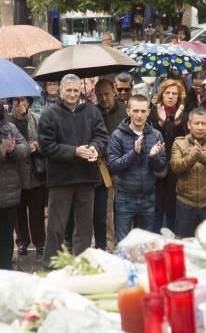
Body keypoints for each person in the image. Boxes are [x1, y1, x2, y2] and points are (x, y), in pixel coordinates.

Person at [38, 74, 109, 265]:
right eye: (68, 90)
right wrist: (74, 152)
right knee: (55, 228)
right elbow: (46, 146)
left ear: (81, 90)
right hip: (61, 180)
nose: (72, 94)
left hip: (86, 178)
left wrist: (95, 148)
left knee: (85, 228)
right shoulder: (49, 115)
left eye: (76, 90)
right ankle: (50, 266)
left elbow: (102, 136)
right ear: (60, 91)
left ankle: (82, 265)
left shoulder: (92, 112)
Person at [107, 94, 166, 242]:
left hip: (148, 196)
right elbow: (113, 166)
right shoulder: (117, 135)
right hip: (125, 197)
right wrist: (134, 153)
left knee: (145, 243)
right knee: (123, 242)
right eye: (135, 111)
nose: (139, 115)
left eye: (143, 111)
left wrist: (154, 157)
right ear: (128, 111)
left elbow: (160, 168)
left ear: (148, 111)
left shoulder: (156, 135)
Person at [171, 108, 206, 237]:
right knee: (184, 243)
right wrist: (191, 156)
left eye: (203, 124)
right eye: (196, 123)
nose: (200, 127)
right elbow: (175, 166)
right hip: (185, 203)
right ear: (189, 125)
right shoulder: (179, 142)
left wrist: (201, 154)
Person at [6, 97, 46, 258]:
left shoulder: (37, 119)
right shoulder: (7, 121)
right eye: (15, 101)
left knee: (37, 211)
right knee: (18, 213)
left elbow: (48, 141)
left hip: (36, 172)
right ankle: (22, 243)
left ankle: (40, 243)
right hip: (15, 173)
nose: (19, 104)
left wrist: (37, 145)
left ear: (28, 102)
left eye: (22, 100)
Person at [94, 79, 127, 250]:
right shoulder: (93, 112)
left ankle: (123, 243)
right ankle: (108, 244)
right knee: (105, 212)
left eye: (106, 94)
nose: (104, 98)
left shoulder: (125, 110)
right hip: (102, 167)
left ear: (114, 91)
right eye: (99, 95)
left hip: (123, 165)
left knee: (122, 208)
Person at [149, 79, 186, 233]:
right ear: (162, 95)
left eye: (174, 94)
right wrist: (161, 123)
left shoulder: (184, 115)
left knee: (173, 208)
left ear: (179, 97)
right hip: (156, 166)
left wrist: (177, 122)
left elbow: (183, 142)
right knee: (156, 209)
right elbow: (152, 139)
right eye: (167, 93)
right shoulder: (151, 113)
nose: (170, 96)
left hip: (175, 169)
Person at [0, 105, 30, 269]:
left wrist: (12, 150)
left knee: (6, 239)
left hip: (9, 193)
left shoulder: (9, 127)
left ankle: (5, 276)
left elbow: (24, 149)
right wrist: (1, 150)